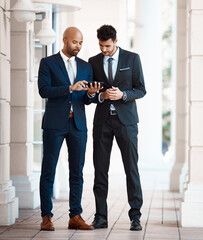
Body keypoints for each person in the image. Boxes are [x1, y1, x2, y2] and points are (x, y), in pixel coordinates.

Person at [38, 27, 101, 231]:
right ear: (64, 40)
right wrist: (69, 88)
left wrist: (91, 94)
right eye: (75, 42)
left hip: (78, 124)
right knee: (49, 170)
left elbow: (85, 99)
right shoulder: (48, 63)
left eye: (81, 43)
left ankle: (75, 216)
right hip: (54, 124)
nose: (78, 46)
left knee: (77, 171)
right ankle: (46, 216)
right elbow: (43, 90)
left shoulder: (86, 66)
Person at [89, 25, 146, 231]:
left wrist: (123, 95)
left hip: (127, 122)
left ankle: (136, 216)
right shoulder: (93, 62)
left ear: (115, 41)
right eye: (101, 46)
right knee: (100, 169)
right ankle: (101, 216)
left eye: (107, 45)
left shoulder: (132, 59)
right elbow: (90, 95)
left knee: (131, 168)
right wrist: (100, 96)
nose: (104, 50)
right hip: (102, 122)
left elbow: (141, 90)